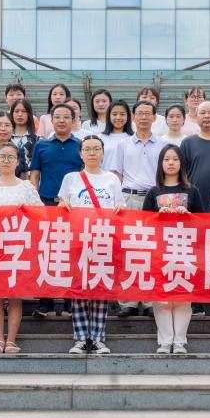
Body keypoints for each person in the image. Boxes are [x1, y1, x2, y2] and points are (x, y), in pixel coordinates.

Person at [57, 135, 124, 355]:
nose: (92, 153)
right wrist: (63, 205)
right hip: (78, 241)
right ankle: (80, 339)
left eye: (96, 149)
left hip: (104, 240)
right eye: (87, 149)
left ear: (103, 153)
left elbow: (120, 208)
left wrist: (119, 210)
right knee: (79, 289)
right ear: (80, 153)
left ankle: (97, 339)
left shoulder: (112, 179)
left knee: (100, 288)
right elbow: (61, 206)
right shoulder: (71, 178)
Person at [0, 142, 43, 354]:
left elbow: (41, 214)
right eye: (2, 156)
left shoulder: (26, 187)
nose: (6, 160)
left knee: (15, 293)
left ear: (18, 162)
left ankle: (11, 339)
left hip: (18, 246)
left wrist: (28, 211)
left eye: (11, 157)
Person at [143, 145, 204, 353]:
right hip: (160, 250)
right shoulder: (153, 192)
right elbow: (143, 222)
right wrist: (157, 216)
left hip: (185, 250)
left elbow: (203, 222)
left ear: (182, 164)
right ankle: (165, 341)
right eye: (167, 159)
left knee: (183, 296)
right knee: (161, 297)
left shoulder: (192, 190)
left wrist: (188, 215)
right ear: (161, 163)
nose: (171, 163)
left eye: (175, 159)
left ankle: (180, 341)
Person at [28, 103, 82, 318]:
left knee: (71, 253)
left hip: (73, 207)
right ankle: (46, 303)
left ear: (73, 120)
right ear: (51, 120)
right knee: (45, 252)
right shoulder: (41, 145)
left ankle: (69, 303)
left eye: (66, 117)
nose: (61, 120)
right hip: (46, 204)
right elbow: (34, 175)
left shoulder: (80, 145)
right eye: (57, 116)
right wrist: (35, 201)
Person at [112, 100, 164, 317]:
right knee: (127, 250)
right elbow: (117, 174)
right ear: (133, 117)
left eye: (147, 113)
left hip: (154, 199)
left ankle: (150, 300)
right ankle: (128, 301)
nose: (143, 117)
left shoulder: (162, 144)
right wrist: (118, 200)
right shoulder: (123, 144)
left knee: (153, 251)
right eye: (139, 113)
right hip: (129, 198)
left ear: (154, 117)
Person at [100, 100, 132, 170]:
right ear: (109, 116)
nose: (118, 117)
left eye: (122, 114)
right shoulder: (100, 138)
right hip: (105, 176)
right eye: (114, 114)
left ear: (128, 116)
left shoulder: (133, 138)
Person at [10, 98, 38, 167]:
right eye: (16, 111)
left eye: (24, 111)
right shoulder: (6, 138)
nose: (20, 114)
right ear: (12, 114)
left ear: (29, 114)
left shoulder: (37, 139)